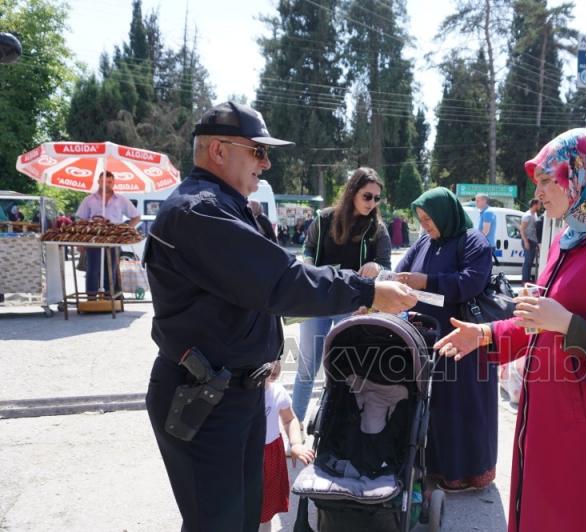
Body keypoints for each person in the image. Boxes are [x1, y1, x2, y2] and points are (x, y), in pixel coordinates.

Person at [143, 101, 416, 532]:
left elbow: (261, 289)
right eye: (258, 151)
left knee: (242, 518)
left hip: (232, 393)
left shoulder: (225, 206)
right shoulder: (200, 211)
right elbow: (282, 281)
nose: (266, 163)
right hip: (205, 397)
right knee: (218, 523)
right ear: (218, 150)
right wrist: (368, 291)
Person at [432, 128, 586, 532]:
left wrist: (570, 325)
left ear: (581, 175)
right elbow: (539, 322)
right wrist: (485, 334)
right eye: (537, 182)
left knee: (583, 515)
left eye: (546, 180)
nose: (538, 194)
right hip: (543, 412)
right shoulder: (567, 239)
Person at [394, 187, 495, 492]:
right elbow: (402, 270)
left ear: (445, 214)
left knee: (463, 406)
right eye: (421, 219)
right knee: (434, 405)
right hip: (426, 338)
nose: (424, 225)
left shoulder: (473, 241)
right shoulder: (425, 241)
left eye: (429, 219)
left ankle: (465, 473)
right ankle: (434, 467)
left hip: (463, 340)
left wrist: (428, 282)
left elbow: (471, 282)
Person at [292, 167, 392, 424]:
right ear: (352, 192)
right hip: (317, 300)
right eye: (367, 196)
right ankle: (294, 427)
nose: (372, 203)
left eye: (377, 198)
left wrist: (377, 267)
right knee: (306, 367)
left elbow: (386, 266)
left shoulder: (378, 229)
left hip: (352, 305)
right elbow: (308, 248)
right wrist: (308, 266)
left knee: (345, 369)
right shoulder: (325, 218)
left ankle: (333, 428)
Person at [258, 362, 314, 532]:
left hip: (270, 455)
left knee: (266, 508)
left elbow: (289, 419)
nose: (274, 366)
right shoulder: (236, 395)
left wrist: (295, 443)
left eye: (277, 359)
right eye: (268, 361)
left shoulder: (276, 392)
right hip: (244, 456)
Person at [75, 171, 140, 298]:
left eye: (109, 182)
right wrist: (80, 241)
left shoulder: (121, 199)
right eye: (104, 181)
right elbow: (81, 220)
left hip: (114, 240)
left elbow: (136, 217)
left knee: (111, 271)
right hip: (93, 239)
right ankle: (91, 299)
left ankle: (109, 298)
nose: (106, 184)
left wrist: (125, 231)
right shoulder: (89, 200)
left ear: (113, 183)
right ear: (98, 182)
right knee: (92, 270)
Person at [519, 198, 540, 283]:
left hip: (533, 241)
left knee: (530, 262)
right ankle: (525, 281)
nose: (540, 206)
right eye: (539, 204)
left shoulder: (535, 214)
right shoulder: (527, 215)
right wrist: (526, 241)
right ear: (535, 204)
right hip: (528, 240)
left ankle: (527, 279)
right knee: (527, 262)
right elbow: (522, 229)